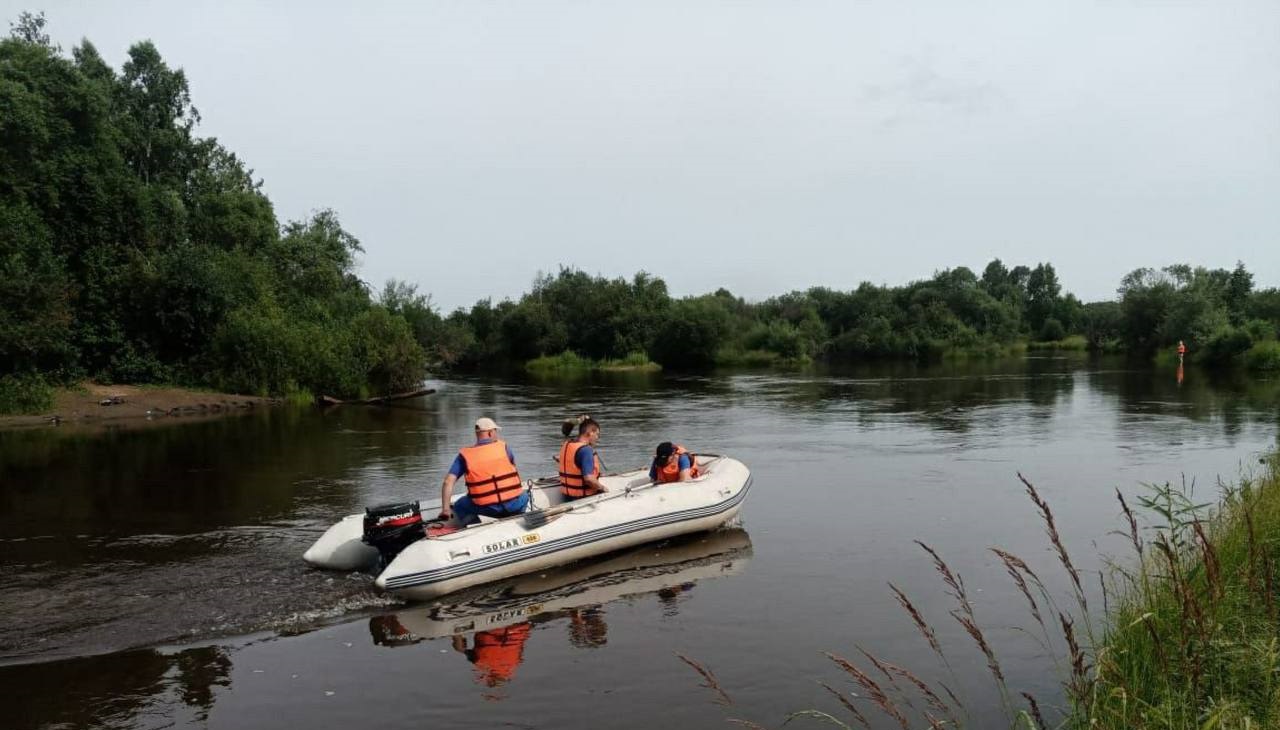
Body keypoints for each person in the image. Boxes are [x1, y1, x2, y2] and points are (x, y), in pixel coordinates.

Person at [437, 417, 528, 524]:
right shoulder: (505, 448)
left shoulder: (465, 456)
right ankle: (518, 519)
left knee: (459, 505)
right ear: (489, 433)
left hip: (487, 509)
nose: (497, 434)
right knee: (525, 495)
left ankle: (474, 526)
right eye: (495, 431)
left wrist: (446, 510)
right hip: (514, 505)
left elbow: (448, 482)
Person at [559, 417, 605, 499]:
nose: (597, 438)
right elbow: (588, 479)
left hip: (566, 496)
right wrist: (603, 488)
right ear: (590, 433)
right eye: (597, 434)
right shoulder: (586, 450)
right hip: (583, 498)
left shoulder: (567, 444)